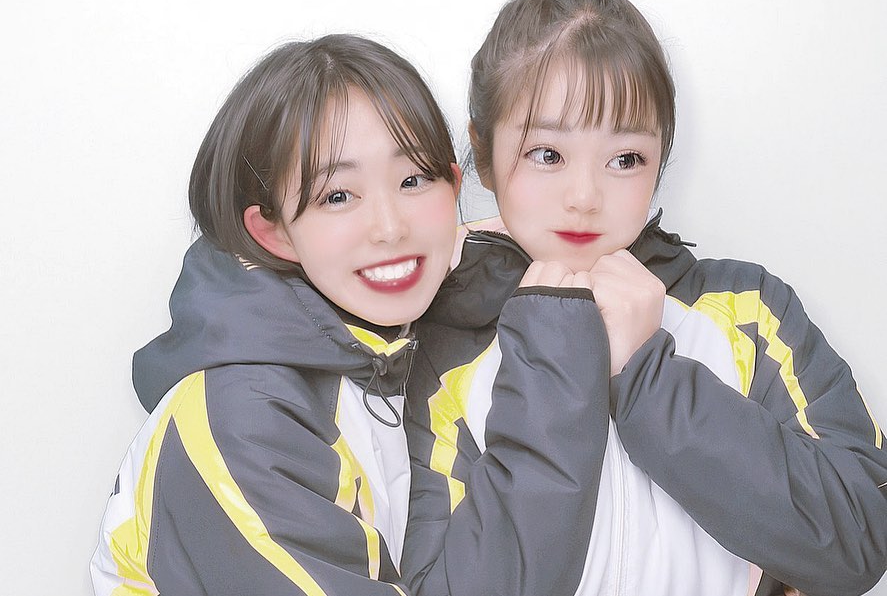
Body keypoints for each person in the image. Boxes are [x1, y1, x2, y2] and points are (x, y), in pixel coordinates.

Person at [403, 0, 887, 596]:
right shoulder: (437, 345)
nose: (584, 195)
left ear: (660, 159)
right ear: (484, 155)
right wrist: (553, 353)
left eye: (625, 158)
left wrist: (647, 376)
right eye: (547, 154)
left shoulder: (748, 309)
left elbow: (858, 540)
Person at [89, 34, 611, 596]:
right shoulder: (240, 416)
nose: (390, 227)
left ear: (453, 188)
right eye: (337, 196)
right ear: (272, 230)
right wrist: (561, 362)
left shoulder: (389, 356)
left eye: (413, 180)